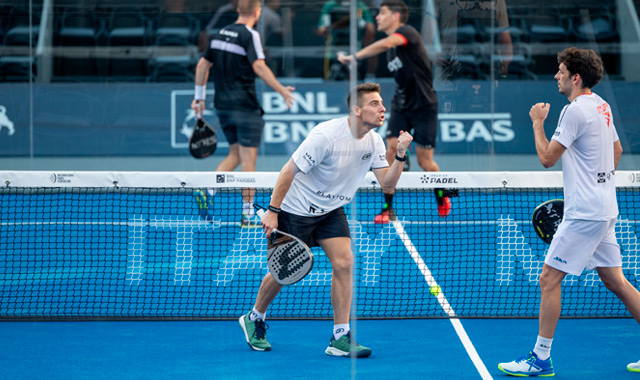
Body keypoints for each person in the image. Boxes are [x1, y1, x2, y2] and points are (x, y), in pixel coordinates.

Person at [238, 83, 413, 357]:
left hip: (331, 210)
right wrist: (273, 210)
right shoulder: (326, 136)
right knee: (284, 273)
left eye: (382, 103)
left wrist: (400, 154)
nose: (383, 108)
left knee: (345, 262)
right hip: (296, 209)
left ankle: (340, 337)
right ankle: (254, 317)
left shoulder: (375, 142)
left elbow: (387, 185)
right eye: (374, 104)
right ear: (356, 110)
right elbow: (288, 170)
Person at [498, 47, 640, 377]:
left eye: (560, 71)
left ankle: (540, 359)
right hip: (605, 209)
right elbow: (616, 150)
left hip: (585, 214)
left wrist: (537, 123)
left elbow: (547, 157)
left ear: (575, 78)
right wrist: (598, 183)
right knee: (616, 280)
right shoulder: (602, 106)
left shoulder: (574, 110)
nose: (556, 76)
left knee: (548, 279)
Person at [337, 0, 453, 223]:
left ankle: (442, 195)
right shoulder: (391, 51)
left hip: (424, 105)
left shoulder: (406, 33)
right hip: (401, 104)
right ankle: (387, 208)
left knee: (425, 163)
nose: (377, 17)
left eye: (382, 13)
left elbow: (387, 43)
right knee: (389, 150)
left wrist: (356, 56)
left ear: (396, 15)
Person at [191, 0, 295, 227]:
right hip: (245, 107)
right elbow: (258, 66)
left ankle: (208, 190)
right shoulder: (250, 35)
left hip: (222, 106)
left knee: (235, 155)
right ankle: (248, 214)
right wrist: (281, 90)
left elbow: (201, 66)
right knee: (249, 162)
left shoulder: (217, 34)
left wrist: (199, 98)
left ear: (238, 10)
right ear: (257, 12)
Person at [422, 0, 513, 81]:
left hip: (486, 76)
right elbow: (425, 42)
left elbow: (506, 47)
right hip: (450, 77)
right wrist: (436, 56)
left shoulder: (498, 1)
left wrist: (498, 72)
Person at [317, 0, 375, 80]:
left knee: (357, 80)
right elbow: (321, 30)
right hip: (334, 51)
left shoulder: (359, 5)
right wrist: (334, 23)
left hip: (355, 49)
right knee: (333, 79)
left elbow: (371, 29)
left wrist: (359, 20)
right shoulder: (331, 5)